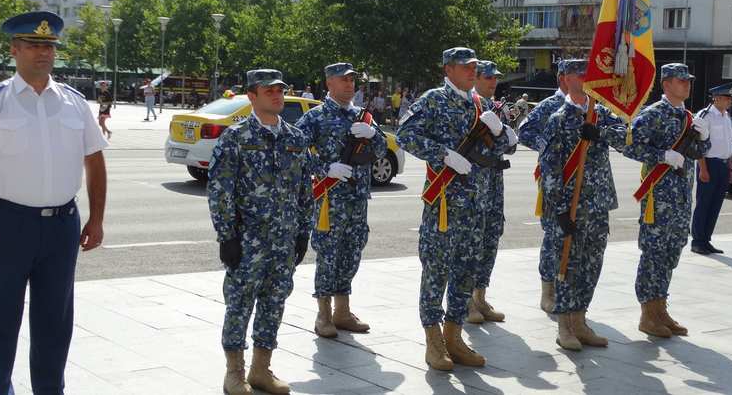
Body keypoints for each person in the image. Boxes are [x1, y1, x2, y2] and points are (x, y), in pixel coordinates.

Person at [0, 11, 107, 394]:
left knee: (55, 326)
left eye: (49, 46)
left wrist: (96, 219)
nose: (43, 53)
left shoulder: (74, 103)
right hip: (7, 225)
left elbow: (95, 162)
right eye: (34, 45)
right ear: (15, 49)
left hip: (61, 227)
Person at [397, 47, 513, 371]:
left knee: (466, 273)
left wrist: (500, 131)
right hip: (445, 204)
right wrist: (443, 154)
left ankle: (455, 336)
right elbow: (405, 134)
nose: (472, 71)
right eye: (465, 67)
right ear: (448, 69)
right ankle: (433, 341)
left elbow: (501, 149)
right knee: (436, 271)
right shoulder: (434, 100)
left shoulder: (481, 105)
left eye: (474, 66)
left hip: (477, 205)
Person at [207, 68, 314, 394]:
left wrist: (303, 232)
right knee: (239, 305)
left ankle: (261, 369)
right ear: (252, 96)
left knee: (274, 303)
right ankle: (234, 373)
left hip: (284, 241)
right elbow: (220, 191)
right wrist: (227, 236)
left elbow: (305, 191)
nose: (277, 95)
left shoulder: (296, 138)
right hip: (247, 242)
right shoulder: (236, 138)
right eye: (269, 91)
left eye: (280, 90)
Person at [538, 59, 627, 350]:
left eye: (588, 73)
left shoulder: (601, 113)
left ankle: (580, 320)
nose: (585, 78)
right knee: (568, 265)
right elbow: (550, 168)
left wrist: (600, 132)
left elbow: (626, 139)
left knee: (592, 264)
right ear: (566, 79)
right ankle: (564, 326)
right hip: (572, 205)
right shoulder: (559, 118)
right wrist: (559, 209)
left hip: (598, 203)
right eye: (579, 74)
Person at [296, 63, 388, 339]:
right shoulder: (316, 117)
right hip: (330, 199)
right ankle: (323, 314)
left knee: (352, 251)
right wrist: (325, 168)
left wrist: (373, 134)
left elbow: (382, 149)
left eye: (352, 80)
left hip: (358, 198)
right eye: (344, 80)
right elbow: (294, 149)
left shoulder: (362, 116)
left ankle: (343, 311)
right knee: (329, 254)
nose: (350, 85)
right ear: (329, 83)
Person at [623, 63, 710, 338]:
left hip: (681, 198)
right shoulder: (653, 114)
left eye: (688, 81)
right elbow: (630, 145)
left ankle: (661, 309)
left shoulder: (688, 117)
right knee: (654, 254)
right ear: (667, 84)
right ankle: (647, 314)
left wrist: (704, 138)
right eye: (681, 81)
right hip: (658, 198)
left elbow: (696, 153)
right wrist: (662, 156)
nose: (687, 85)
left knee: (672, 252)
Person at [518, 60, 572, 314]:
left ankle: (568, 290)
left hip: (580, 182)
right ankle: (547, 291)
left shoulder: (587, 106)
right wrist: (550, 148)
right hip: (554, 179)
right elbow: (524, 131)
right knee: (553, 235)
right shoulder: (550, 105)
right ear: (563, 79)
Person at [467, 61, 518, 325]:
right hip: (473, 183)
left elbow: (511, 147)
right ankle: (465, 300)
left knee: (490, 237)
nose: (493, 82)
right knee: (471, 241)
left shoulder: (498, 108)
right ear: (475, 78)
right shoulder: (469, 107)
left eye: (495, 78)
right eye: (488, 77)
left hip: (495, 182)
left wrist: (505, 134)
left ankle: (480, 297)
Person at [690, 83, 732, 255]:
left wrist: (730, 168)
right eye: (727, 98)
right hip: (709, 164)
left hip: (723, 165)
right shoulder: (705, 115)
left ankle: (706, 239)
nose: (730, 101)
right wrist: (703, 169)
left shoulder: (726, 117)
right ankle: (697, 241)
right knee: (704, 204)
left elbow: (728, 144)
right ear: (717, 98)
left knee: (715, 204)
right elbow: (698, 143)